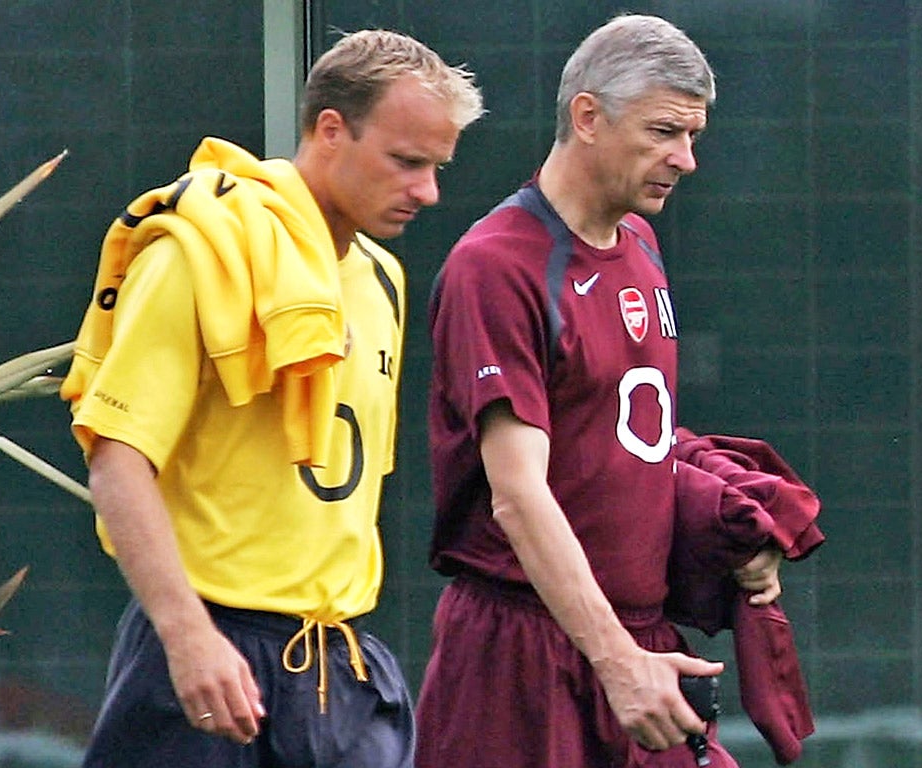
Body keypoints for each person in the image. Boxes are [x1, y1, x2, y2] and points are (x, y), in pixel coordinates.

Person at [60, 30, 483, 768]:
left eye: (437, 167)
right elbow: (117, 460)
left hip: (342, 664)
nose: (428, 192)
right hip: (206, 650)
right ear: (329, 130)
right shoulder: (199, 250)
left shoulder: (383, 277)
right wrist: (188, 637)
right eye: (407, 162)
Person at [416, 14, 782, 768]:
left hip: (638, 643)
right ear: (587, 116)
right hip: (519, 651)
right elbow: (518, 493)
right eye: (663, 132)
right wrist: (617, 662)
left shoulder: (642, 244)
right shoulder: (498, 265)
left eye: (692, 136)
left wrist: (729, 523)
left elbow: (628, 436)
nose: (685, 160)